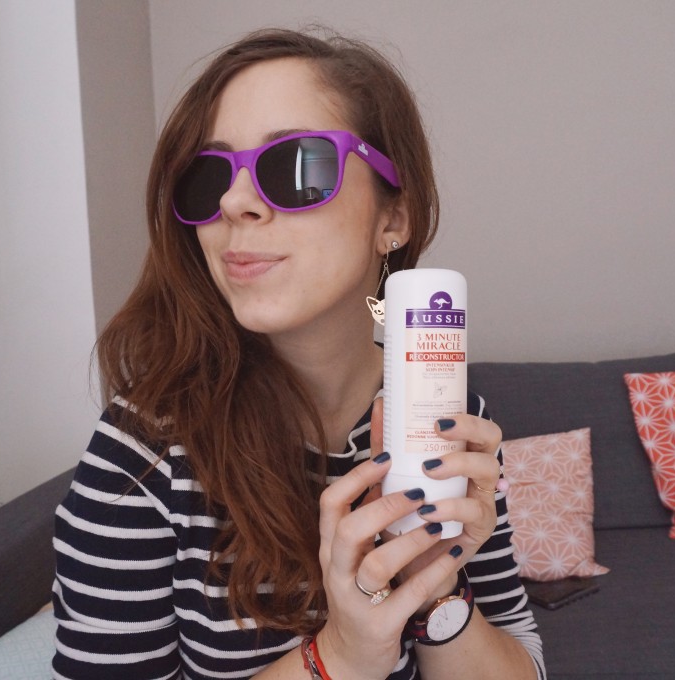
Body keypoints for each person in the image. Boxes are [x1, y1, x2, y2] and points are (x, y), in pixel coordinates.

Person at [52, 27, 545, 680]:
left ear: (393, 218)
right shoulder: (144, 452)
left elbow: (518, 654)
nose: (233, 203)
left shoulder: (446, 418)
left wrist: (435, 587)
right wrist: (341, 655)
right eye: (208, 177)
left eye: (295, 166)